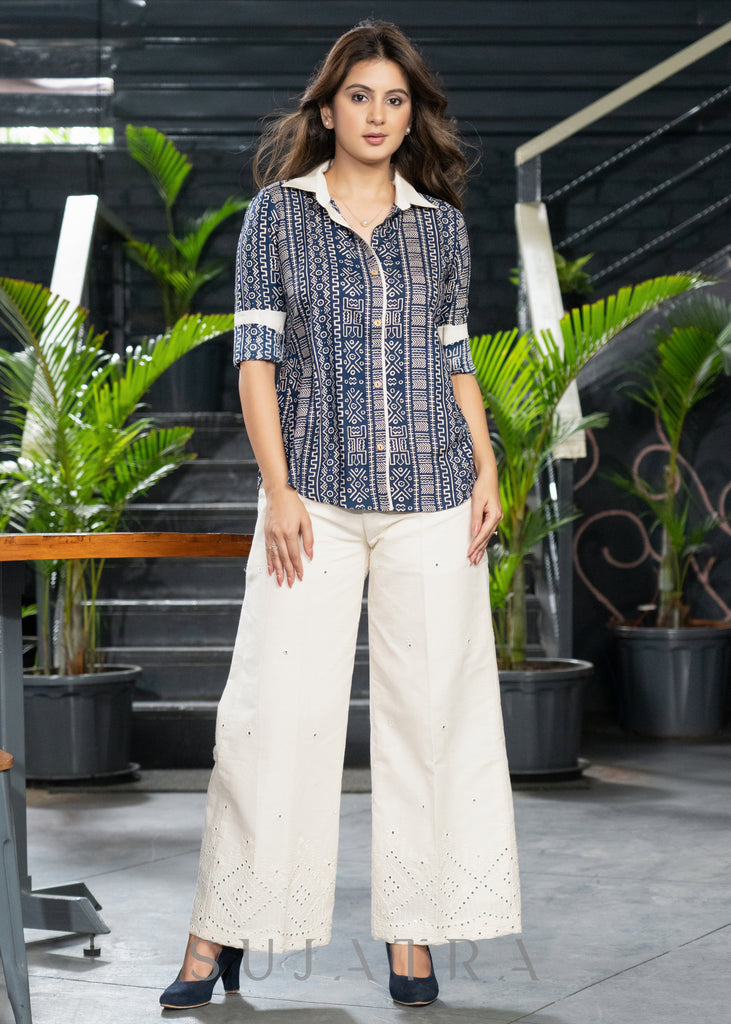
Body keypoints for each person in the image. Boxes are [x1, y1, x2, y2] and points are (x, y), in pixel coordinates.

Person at [160, 19, 520, 1011]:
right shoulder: (277, 216)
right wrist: (277, 490)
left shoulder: (439, 226)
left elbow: (455, 358)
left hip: (434, 497)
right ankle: (219, 930)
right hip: (310, 499)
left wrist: (486, 466)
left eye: (394, 100)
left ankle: (413, 934)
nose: (377, 114)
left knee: (433, 717)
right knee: (272, 714)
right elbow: (255, 362)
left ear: (411, 117)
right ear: (326, 109)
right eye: (359, 96)